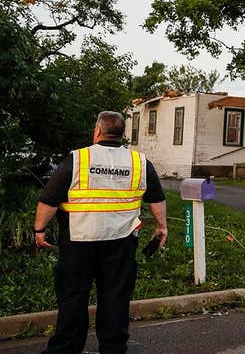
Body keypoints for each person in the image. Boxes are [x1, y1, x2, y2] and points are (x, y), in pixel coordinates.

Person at [34, 111, 167, 353]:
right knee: (115, 295)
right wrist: (161, 226)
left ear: (97, 131)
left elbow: (48, 200)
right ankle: (113, 348)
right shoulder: (139, 162)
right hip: (121, 241)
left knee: (74, 295)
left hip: (79, 241)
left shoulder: (77, 159)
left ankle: (65, 349)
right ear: (121, 134)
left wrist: (39, 230)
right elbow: (157, 198)